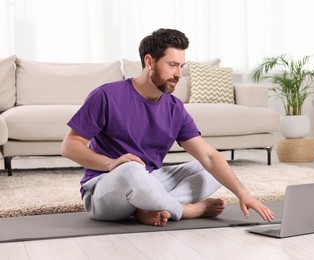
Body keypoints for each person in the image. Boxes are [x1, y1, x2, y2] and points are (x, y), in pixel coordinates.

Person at [61, 28, 274, 226]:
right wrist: (111, 164)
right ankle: (182, 209)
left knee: (210, 169)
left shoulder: (175, 108)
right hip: (104, 187)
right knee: (132, 170)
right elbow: (69, 146)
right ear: (149, 61)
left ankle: (147, 208)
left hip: (149, 182)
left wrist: (243, 193)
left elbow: (208, 156)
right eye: (172, 65)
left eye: (181, 66)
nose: (179, 74)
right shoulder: (106, 95)